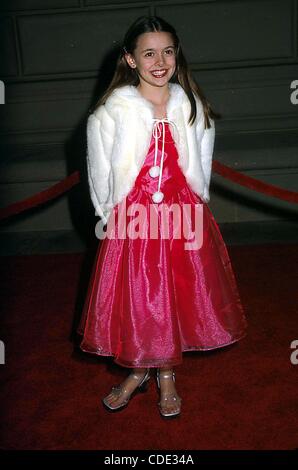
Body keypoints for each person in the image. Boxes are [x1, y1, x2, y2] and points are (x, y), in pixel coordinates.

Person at [77, 15, 248, 419]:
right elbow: (100, 168)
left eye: (167, 51)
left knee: (175, 291)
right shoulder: (112, 109)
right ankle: (139, 369)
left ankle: (166, 373)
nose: (160, 60)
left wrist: (197, 196)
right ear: (130, 60)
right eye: (148, 52)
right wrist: (108, 213)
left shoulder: (190, 103)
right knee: (140, 295)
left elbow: (200, 157)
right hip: (134, 217)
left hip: (181, 213)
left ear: (176, 55)